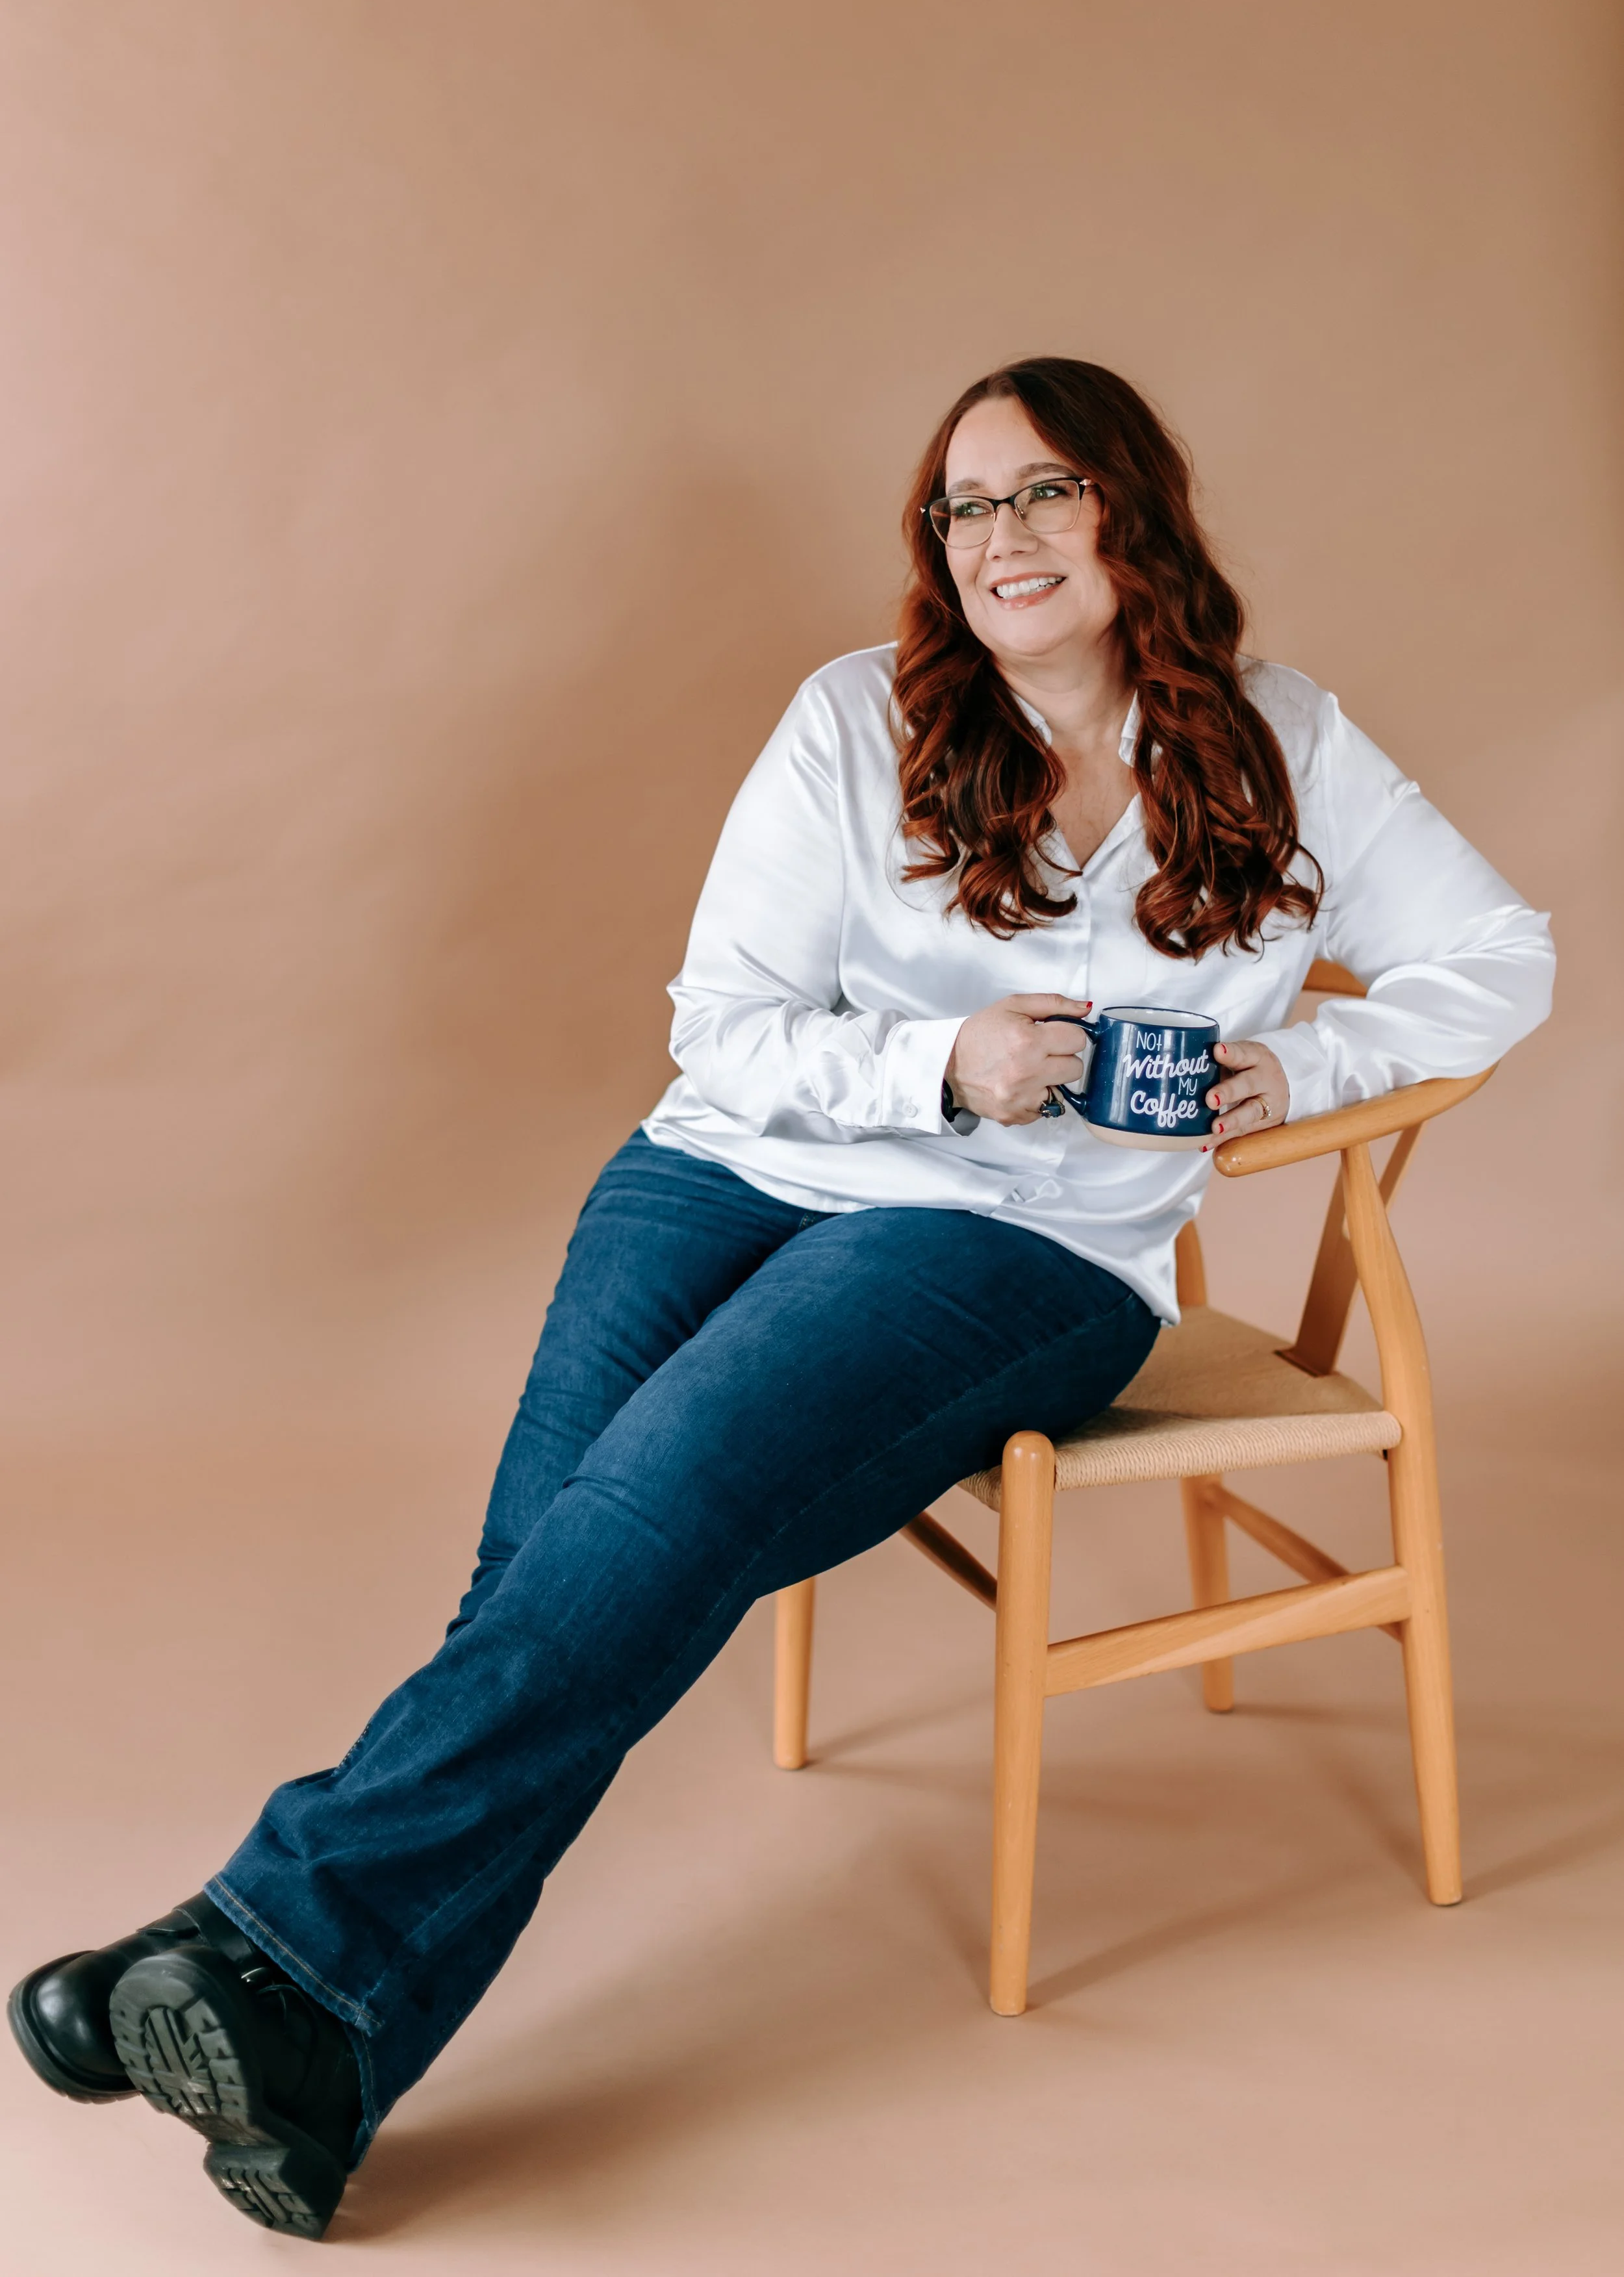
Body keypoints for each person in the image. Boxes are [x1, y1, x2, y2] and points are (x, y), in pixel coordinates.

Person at [8, 358, 1554, 2239]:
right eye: (964, 507)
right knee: (558, 1572)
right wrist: (940, 1064)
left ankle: (242, 1940)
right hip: (725, 1168)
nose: (1000, 539)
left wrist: (1300, 1076)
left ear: (1131, 510)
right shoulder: (858, 719)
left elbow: (1498, 952)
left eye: (1043, 491)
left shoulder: (1279, 738)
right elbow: (720, 1032)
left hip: (1021, 1246)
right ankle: (313, 2056)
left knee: (644, 1525)